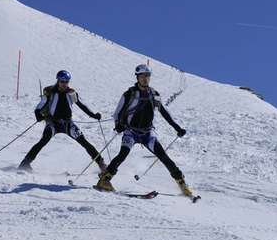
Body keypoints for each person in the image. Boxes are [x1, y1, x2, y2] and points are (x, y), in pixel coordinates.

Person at [96, 64, 193, 196]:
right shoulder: (129, 94)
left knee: (163, 156)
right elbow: (117, 112)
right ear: (137, 77)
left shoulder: (154, 94)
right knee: (122, 155)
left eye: (148, 76)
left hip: (147, 133)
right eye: (143, 76)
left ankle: (181, 181)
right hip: (131, 132)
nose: (145, 79)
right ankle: (105, 179)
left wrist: (177, 127)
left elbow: (164, 112)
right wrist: (118, 124)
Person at [18, 70, 107, 173]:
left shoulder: (71, 93)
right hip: (53, 123)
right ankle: (25, 163)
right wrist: (38, 115)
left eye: (66, 82)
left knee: (84, 142)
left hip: (67, 124)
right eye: (62, 81)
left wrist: (93, 115)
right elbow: (40, 106)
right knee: (42, 142)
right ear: (58, 81)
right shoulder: (51, 93)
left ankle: (101, 164)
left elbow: (82, 105)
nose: (64, 84)